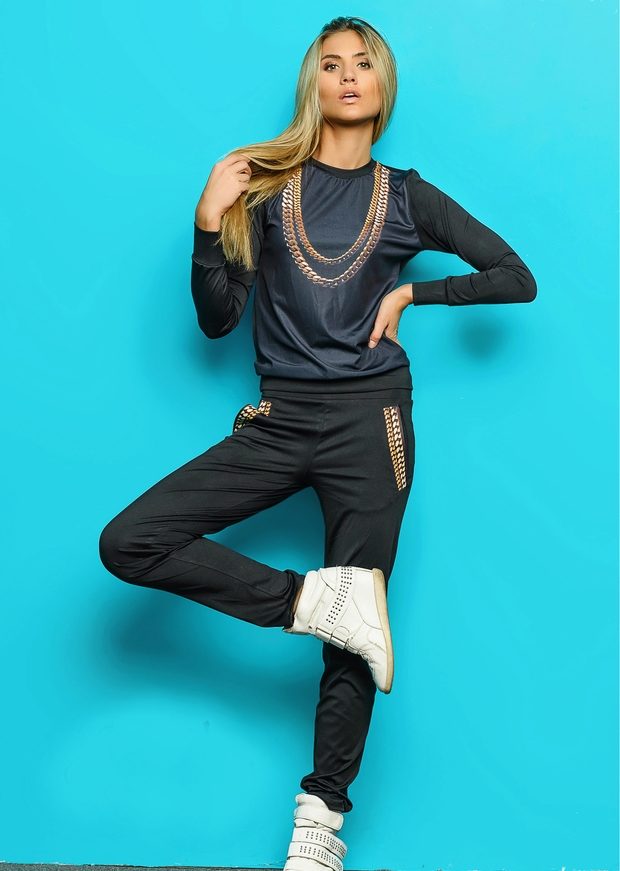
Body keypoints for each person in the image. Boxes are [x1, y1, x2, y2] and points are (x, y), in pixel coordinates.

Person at [98, 15, 537, 870]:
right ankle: (311, 599)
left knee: (357, 635)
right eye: (331, 64)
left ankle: (320, 823)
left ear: (383, 85)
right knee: (132, 540)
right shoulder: (268, 190)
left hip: (373, 426)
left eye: (362, 64)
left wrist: (415, 297)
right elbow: (219, 320)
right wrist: (206, 226)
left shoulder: (407, 196)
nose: (347, 76)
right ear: (314, 84)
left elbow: (515, 276)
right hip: (281, 419)